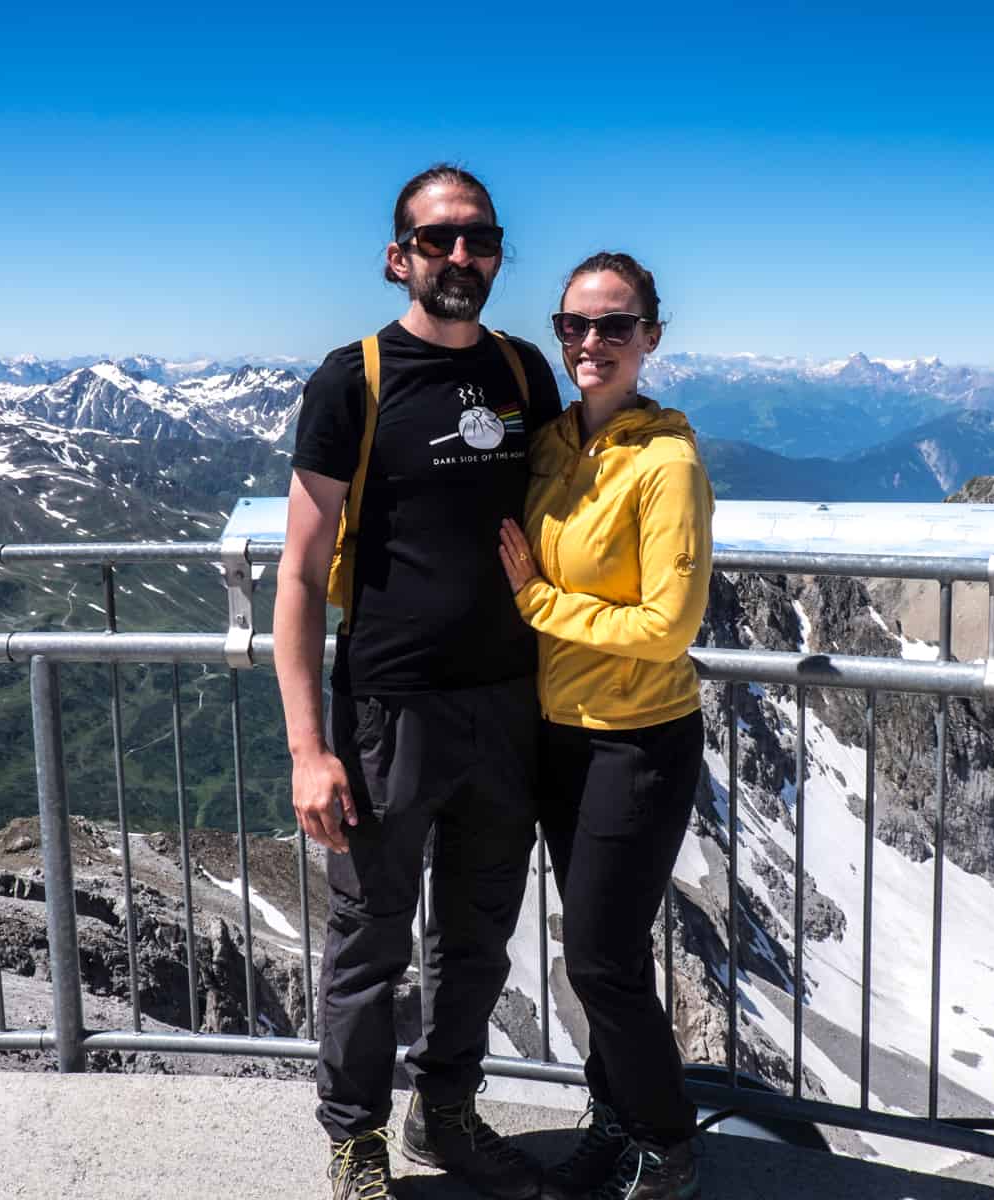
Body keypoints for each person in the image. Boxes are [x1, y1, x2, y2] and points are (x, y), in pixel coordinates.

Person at [275, 164, 562, 1200]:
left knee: (477, 934)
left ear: (495, 254)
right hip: (387, 711)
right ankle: (354, 1138)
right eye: (436, 240)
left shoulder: (527, 371)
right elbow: (301, 575)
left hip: (508, 704)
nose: (459, 257)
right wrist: (311, 750)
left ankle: (444, 1114)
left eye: (478, 239)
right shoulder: (354, 378)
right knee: (371, 939)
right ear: (399, 256)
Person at [496, 252, 713, 1200]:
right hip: (558, 736)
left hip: (638, 736)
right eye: (575, 325)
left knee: (596, 957)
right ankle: (616, 1124)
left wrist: (539, 603)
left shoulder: (668, 463)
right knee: (604, 957)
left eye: (615, 326)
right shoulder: (549, 444)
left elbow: (669, 627)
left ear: (650, 339)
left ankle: (666, 1145)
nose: (591, 342)